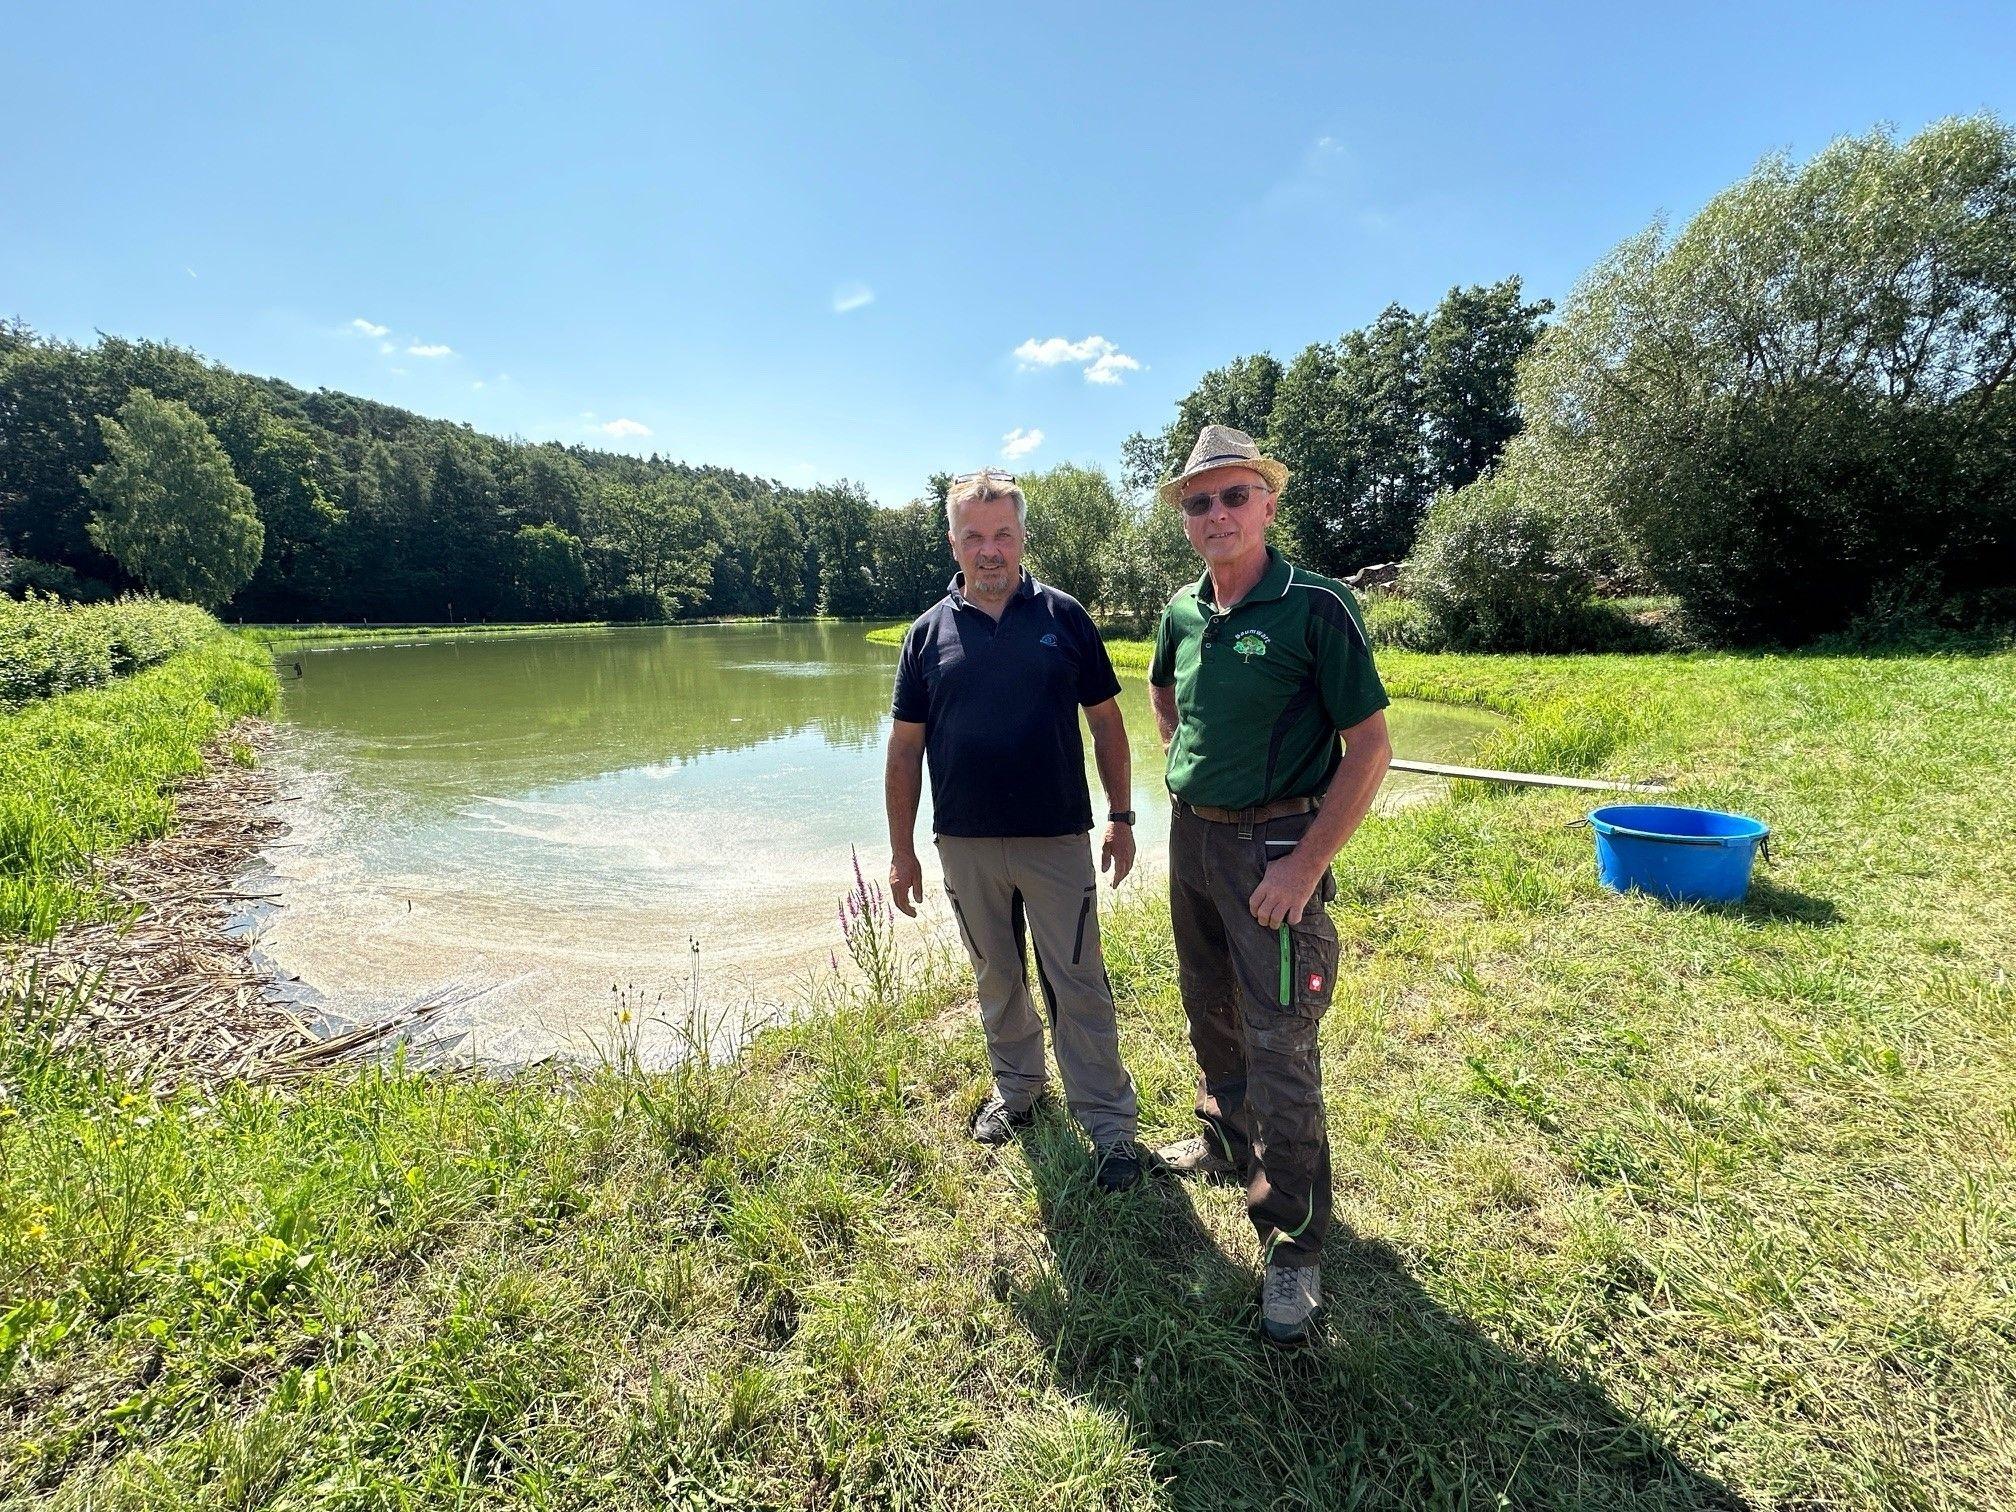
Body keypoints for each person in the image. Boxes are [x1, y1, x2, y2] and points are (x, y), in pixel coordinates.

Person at [1147, 425, 1393, 1344]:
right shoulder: (1181, 612)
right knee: (1207, 1005)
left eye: (1235, 494)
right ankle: (1222, 1139)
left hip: (1275, 847)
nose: (1217, 512)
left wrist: (1305, 863)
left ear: (1268, 503)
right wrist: (1185, 763)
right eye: (1199, 501)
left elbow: (1370, 748)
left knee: (1280, 1041)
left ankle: (1292, 1244)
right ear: (1185, 517)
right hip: (1193, 840)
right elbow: (1163, 693)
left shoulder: (1316, 606)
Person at [885, 468, 1144, 1192]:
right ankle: (1019, 1091)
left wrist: (1121, 818)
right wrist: (902, 853)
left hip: (1056, 839)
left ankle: (1109, 1125)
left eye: (1002, 533)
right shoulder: (926, 634)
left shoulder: (1065, 617)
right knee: (996, 976)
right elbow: (904, 750)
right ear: (953, 543)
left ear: (1023, 536)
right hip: (965, 844)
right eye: (974, 536)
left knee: (1077, 980)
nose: (989, 549)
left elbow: (1107, 724)